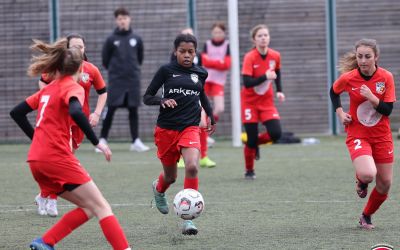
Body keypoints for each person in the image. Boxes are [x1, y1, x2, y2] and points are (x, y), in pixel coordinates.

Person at [10, 39, 131, 249]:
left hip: (36, 161)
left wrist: (37, 139)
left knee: (89, 207)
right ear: (81, 67)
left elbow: (17, 113)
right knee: (102, 206)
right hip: (57, 158)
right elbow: (76, 111)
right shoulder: (73, 88)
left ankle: (45, 242)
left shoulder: (48, 89)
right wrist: (98, 142)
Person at [143, 34, 216, 235]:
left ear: (195, 53)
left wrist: (210, 115)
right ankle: (159, 190)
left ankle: (188, 220)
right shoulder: (166, 71)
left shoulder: (200, 73)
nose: (186, 55)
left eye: (190, 52)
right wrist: (162, 101)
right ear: (175, 51)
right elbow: (147, 97)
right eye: (182, 51)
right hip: (166, 129)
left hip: (190, 127)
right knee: (171, 176)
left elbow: (202, 95)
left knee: (192, 166)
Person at [35, 33, 108, 218]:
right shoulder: (60, 70)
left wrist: (97, 113)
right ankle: (51, 200)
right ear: (67, 49)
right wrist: (52, 101)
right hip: (61, 123)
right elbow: (43, 82)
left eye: (81, 47)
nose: (78, 50)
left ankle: (44, 195)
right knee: (61, 161)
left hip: (79, 124)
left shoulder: (91, 70)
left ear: (85, 49)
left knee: (63, 159)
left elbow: (103, 92)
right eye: (74, 46)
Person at [330, 38, 395, 229]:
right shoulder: (349, 78)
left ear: (376, 57)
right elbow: (333, 92)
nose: (363, 61)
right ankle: (361, 181)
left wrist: (372, 98)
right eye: (360, 57)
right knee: (368, 174)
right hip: (358, 134)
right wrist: (341, 113)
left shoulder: (386, 77)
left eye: (367, 56)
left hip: (382, 136)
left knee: (384, 185)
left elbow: (388, 110)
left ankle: (366, 216)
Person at [99, 7, 149, 152]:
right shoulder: (111, 39)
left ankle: (135, 141)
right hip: (116, 81)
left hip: (133, 81)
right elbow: (105, 60)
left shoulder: (137, 38)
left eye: (125, 18)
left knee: (133, 110)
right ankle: (102, 140)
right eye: (120, 18)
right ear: (116, 21)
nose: (123, 21)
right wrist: (116, 72)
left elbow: (139, 58)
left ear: (129, 19)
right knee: (110, 109)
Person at [241, 24, 285, 180]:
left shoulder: (275, 55)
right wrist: (265, 77)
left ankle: (255, 144)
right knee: (251, 138)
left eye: (265, 35)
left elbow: (277, 72)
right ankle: (249, 170)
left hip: (266, 101)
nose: (263, 38)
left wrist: (279, 90)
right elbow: (247, 82)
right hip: (249, 102)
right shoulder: (249, 57)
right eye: (259, 36)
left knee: (276, 133)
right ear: (254, 39)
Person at [201, 21, 231, 154]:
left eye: (220, 32)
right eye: (215, 32)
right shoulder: (207, 45)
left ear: (224, 33)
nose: (217, 34)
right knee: (202, 109)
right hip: (206, 80)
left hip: (219, 81)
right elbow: (205, 61)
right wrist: (219, 62)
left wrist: (214, 63)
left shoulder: (227, 45)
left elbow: (227, 65)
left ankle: (206, 131)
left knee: (219, 108)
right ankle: (203, 135)